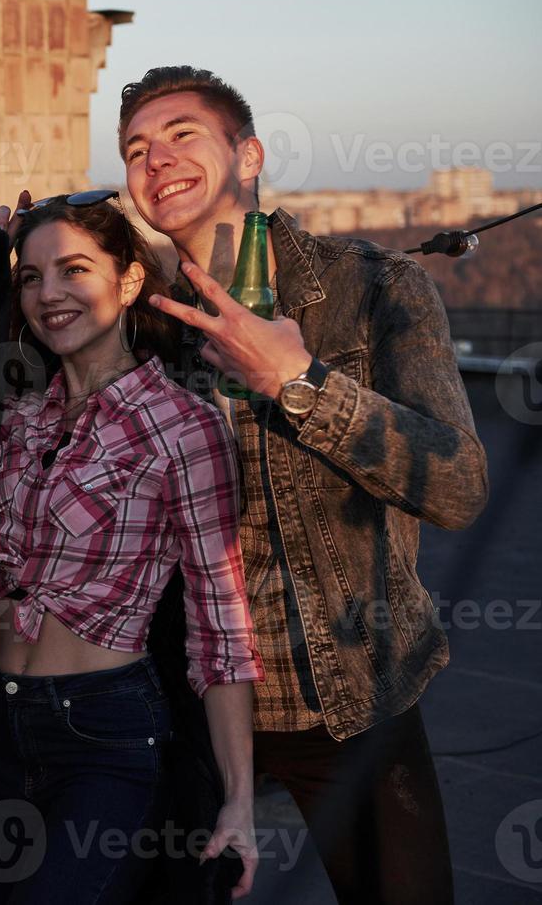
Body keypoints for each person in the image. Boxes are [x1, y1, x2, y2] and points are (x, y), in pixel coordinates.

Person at [122, 66, 489, 904]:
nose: (156, 160)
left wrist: (300, 380)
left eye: (182, 136)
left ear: (246, 155)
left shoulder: (373, 288)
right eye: (136, 149)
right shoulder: (135, 322)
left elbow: (457, 484)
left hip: (350, 700)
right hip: (191, 711)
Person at [0, 192, 264, 903]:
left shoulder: (182, 426)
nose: (49, 294)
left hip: (100, 732)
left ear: (128, 281)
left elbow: (219, 620)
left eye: (73, 270)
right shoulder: (19, 418)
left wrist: (240, 800)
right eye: (30, 277)